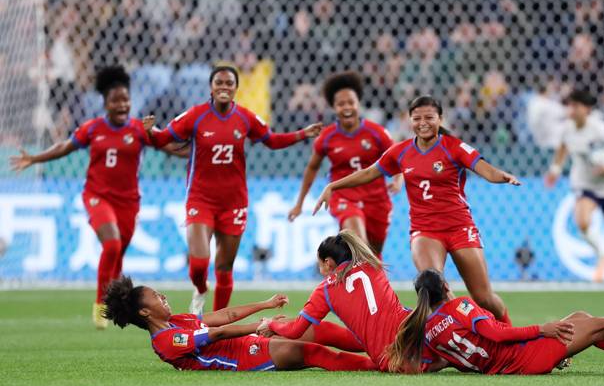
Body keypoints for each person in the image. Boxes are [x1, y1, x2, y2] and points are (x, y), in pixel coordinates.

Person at [313, 95, 520, 322]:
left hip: (460, 226)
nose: (423, 122)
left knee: (484, 297)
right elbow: (369, 173)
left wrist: (503, 176)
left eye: (429, 117)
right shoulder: (401, 152)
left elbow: (486, 170)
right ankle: (463, 339)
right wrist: (334, 185)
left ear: (440, 119)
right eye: (416, 118)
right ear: (409, 120)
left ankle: (507, 331)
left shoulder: (454, 147)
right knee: (435, 290)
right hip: (425, 231)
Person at [10, 66, 187, 329]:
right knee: (112, 246)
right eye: (116, 100)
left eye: (126, 100)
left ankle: (115, 307)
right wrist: (34, 158)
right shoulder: (93, 128)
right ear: (104, 102)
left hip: (128, 202)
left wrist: (199, 150)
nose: (122, 105)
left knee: (117, 256)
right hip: (97, 197)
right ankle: (100, 305)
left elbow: (169, 146)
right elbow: (65, 147)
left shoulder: (140, 129)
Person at [144, 63, 322, 314]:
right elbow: (164, 139)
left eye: (229, 83)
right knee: (198, 263)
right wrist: (150, 131)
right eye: (219, 83)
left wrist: (302, 133)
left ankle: (216, 321)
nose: (224, 87)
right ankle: (201, 287)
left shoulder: (245, 118)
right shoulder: (195, 116)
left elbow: (271, 141)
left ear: (236, 88)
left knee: (225, 267)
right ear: (211, 87)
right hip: (201, 199)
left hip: (234, 202)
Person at [386, 269, 604, 376]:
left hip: (504, 364)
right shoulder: (460, 306)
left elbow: (446, 360)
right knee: (603, 324)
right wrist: (542, 329)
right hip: (521, 358)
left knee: (581, 319)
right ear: (444, 287)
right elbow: (495, 332)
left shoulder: (427, 329)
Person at [102, 276, 375, 372]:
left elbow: (225, 316)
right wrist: (262, 325)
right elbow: (217, 333)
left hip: (249, 342)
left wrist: (265, 305)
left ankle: (378, 344)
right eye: (156, 297)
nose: (163, 297)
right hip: (245, 358)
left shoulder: (177, 321)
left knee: (315, 330)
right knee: (310, 352)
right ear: (145, 313)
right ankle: (380, 364)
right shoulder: (165, 342)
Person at [257, 230, 432, 372]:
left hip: (391, 360)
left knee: (330, 331)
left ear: (327, 262)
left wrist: (272, 324)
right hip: (418, 335)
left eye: (319, 264)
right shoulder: (372, 264)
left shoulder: (325, 290)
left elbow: (296, 330)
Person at [287, 71, 401, 255]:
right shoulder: (326, 137)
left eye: (351, 102)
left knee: (374, 256)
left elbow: (397, 159)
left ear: (358, 104)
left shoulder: (377, 133)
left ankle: (373, 281)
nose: (346, 107)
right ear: (334, 107)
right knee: (359, 245)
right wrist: (299, 203)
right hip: (344, 198)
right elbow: (312, 168)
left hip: (377, 199)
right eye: (341, 104)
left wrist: (397, 180)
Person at [545, 88, 604, 298]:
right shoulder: (568, 129)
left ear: (586, 109)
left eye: (576, 106)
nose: (572, 110)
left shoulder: (600, 130)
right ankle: (602, 253)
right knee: (582, 221)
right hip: (584, 184)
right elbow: (562, 149)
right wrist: (555, 171)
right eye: (570, 105)